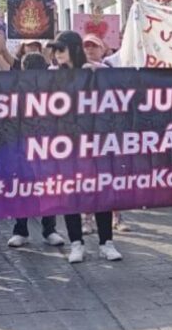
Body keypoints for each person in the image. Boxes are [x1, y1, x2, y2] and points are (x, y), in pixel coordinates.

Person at [49, 32, 121, 262]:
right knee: (71, 196)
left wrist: (97, 75)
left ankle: (106, 242)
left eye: (61, 49)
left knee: (101, 194)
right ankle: (76, 244)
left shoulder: (96, 71)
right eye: (55, 50)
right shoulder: (52, 76)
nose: (58, 54)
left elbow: (118, 91)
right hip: (66, 145)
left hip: (95, 144)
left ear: (73, 48)